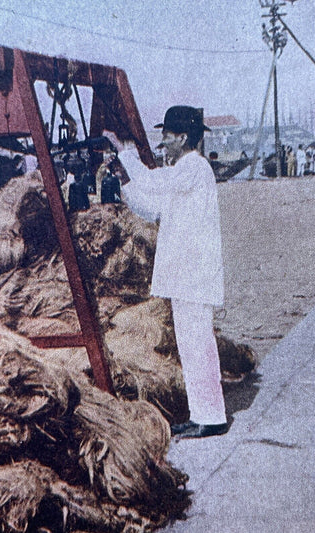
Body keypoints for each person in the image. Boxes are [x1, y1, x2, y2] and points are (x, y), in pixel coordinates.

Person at [103, 106, 228, 439]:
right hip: (185, 274)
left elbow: (153, 180)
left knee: (198, 344)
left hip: (194, 275)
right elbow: (152, 208)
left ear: (183, 137)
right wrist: (123, 180)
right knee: (189, 345)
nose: (163, 143)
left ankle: (212, 416)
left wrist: (126, 153)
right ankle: (202, 412)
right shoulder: (182, 175)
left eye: (167, 136)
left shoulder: (194, 167)